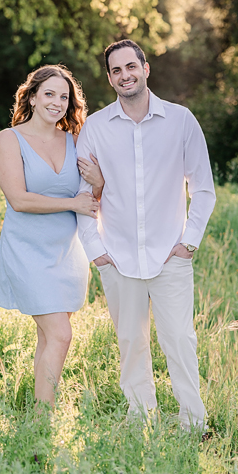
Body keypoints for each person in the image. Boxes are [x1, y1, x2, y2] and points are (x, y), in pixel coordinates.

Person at [75, 39, 216, 431]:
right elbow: (83, 196)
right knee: (130, 343)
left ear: (145, 68)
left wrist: (188, 243)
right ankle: (140, 421)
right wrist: (96, 251)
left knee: (180, 340)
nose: (125, 75)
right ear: (109, 78)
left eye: (130, 67)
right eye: (116, 70)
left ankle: (193, 423)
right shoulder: (95, 128)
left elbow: (203, 189)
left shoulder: (181, 121)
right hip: (117, 256)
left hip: (170, 254)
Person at [0, 65, 103, 406]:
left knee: (48, 338)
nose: (57, 102)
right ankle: (46, 418)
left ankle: (37, 419)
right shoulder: (9, 139)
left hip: (67, 253)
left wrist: (99, 181)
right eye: (49, 94)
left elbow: (92, 196)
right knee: (61, 335)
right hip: (27, 251)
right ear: (32, 97)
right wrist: (71, 203)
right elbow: (19, 199)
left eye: (64, 97)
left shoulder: (75, 140)